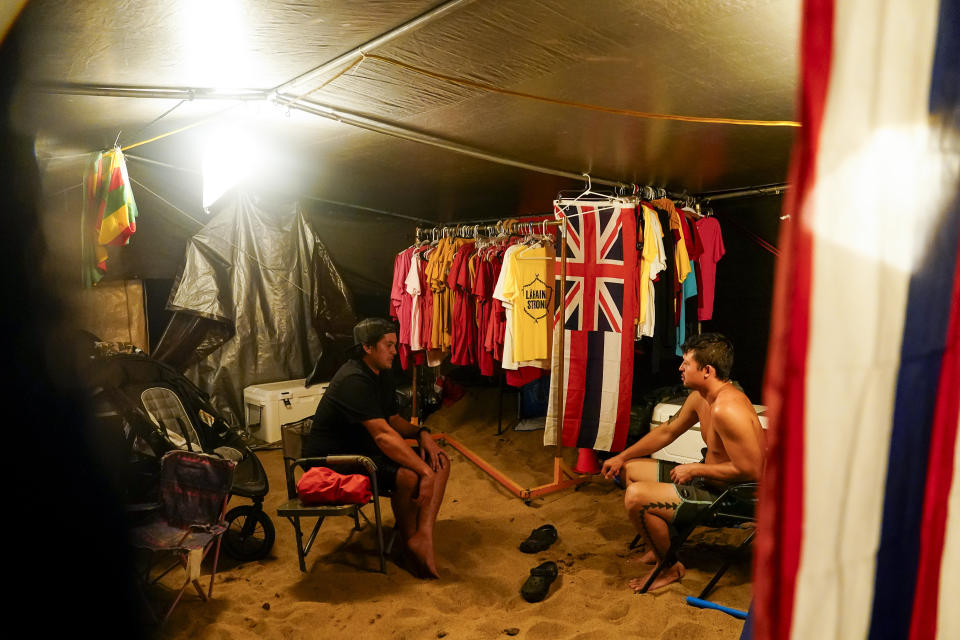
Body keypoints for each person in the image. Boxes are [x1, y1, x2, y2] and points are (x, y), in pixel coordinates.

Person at [601, 333, 766, 591]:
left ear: (707, 370)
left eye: (686, 363)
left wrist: (696, 468)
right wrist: (623, 455)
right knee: (628, 470)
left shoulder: (727, 408)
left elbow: (752, 469)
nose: (680, 368)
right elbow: (667, 431)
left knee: (636, 497)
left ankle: (669, 568)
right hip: (709, 480)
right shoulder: (701, 397)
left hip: (732, 496)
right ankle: (659, 549)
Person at [303, 318, 451, 578]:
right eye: (389, 345)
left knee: (440, 460)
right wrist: (425, 473)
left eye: (395, 345)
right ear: (367, 347)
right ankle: (408, 545)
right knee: (410, 475)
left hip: (364, 450)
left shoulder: (381, 374)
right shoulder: (353, 380)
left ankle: (423, 535)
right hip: (333, 458)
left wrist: (422, 433)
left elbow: (393, 421)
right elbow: (383, 435)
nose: (395, 351)